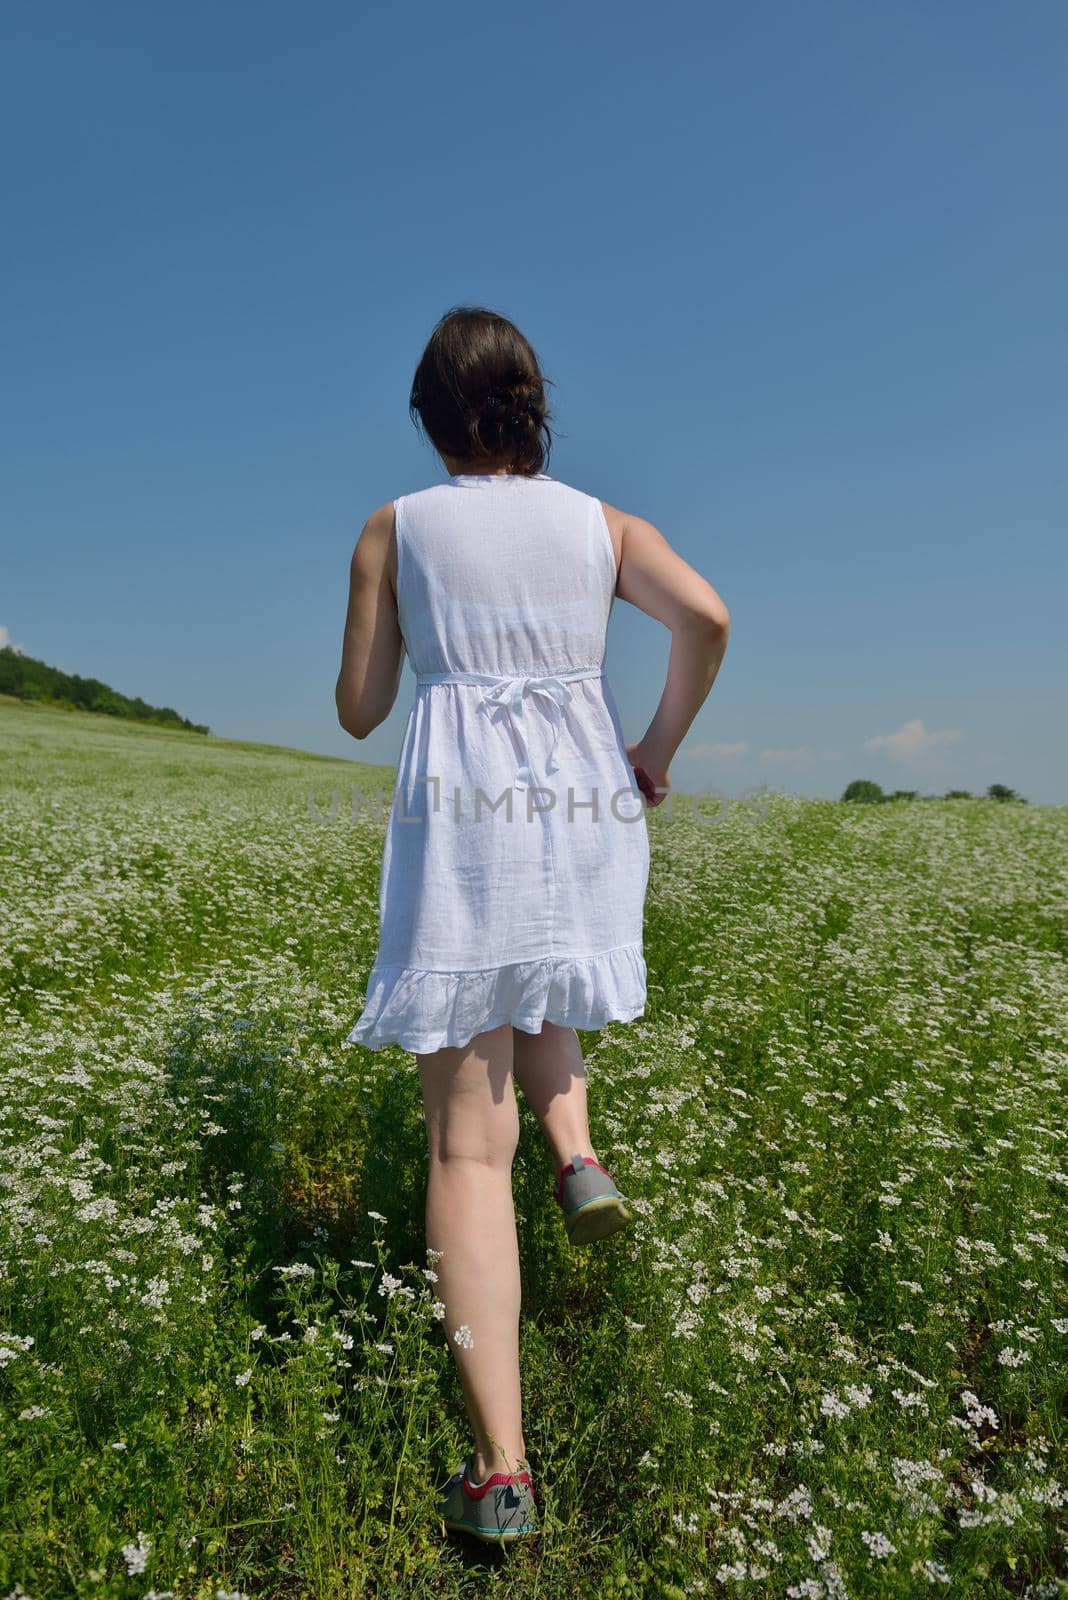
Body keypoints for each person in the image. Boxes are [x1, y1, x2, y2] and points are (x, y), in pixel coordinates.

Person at [335, 305, 730, 1544]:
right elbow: (708, 618)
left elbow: (358, 709)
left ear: (432, 414)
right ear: (532, 404)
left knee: (462, 1148)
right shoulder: (605, 524)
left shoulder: (397, 526)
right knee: (546, 992)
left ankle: (503, 1468)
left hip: (464, 817)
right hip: (580, 806)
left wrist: (409, 630)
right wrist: (653, 747)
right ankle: (576, 1154)